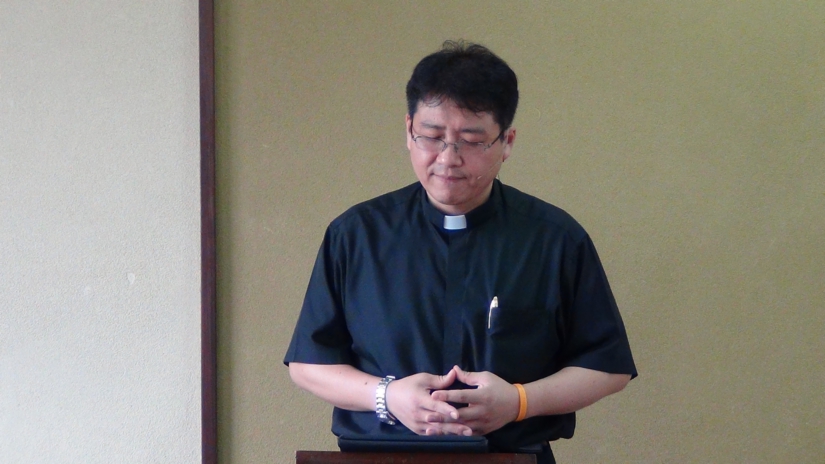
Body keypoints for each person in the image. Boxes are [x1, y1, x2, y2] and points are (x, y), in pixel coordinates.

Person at [284, 40, 637, 463]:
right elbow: (308, 363)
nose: (448, 159)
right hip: (378, 455)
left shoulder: (555, 239)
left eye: (471, 141)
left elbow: (607, 367)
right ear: (408, 131)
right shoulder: (356, 235)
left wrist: (519, 401)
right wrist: (388, 396)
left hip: (509, 458)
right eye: (432, 137)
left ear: (507, 141)